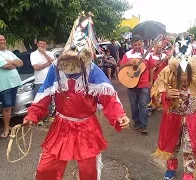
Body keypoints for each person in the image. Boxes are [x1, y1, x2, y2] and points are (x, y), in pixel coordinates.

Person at [23, 12, 130, 180]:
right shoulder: (56, 68)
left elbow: (108, 97)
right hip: (61, 125)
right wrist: (33, 114)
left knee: (88, 172)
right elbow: (43, 95)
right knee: (46, 169)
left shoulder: (92, 70)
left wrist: (119, 115)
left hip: (86, 126)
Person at [151, 56, 196, 180]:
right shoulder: (167, 71)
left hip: (191, 117)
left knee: (190, 146)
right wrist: (166, 95)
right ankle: (171, 167)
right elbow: (155, 92)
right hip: (173, 117)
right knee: (173, 145)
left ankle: (189, 173)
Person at [119, 35, 156, 134]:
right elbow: (121, 66)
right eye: (135, 45)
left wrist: (151, 81)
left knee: (143, 105)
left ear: (142, 43)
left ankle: (143, 125)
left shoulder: (148, 55)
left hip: (144, 84)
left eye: (139, 44)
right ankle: (137, 122)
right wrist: (129, 63)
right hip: (131, 83)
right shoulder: (128, 54)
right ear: (132, 45)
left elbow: (151, 68)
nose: (137, 46)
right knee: (134, 105)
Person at [0, 33, 23, 138]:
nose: (3, 41)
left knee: (10, 106)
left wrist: (10, 61)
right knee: (7, 107)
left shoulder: (8, 52)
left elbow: (21, 63)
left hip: (14, 83)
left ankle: (8, 126)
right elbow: (5, 66)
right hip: (5, 85)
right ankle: (6, 128)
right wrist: (12, 63)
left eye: (4, 39)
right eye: (0, 40)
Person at [30, 37, 55, 126]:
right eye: (40, 44)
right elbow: (36, 67)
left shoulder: (49, 53)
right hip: (39, 81)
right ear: (37, 44)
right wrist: (47, 64)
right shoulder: (33, 54)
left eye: (44, 44)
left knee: (49, 100)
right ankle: (39, 118)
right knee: (40, 100)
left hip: (50, 80)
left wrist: (44, 53)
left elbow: (53, 62)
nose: (42, 45)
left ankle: (48, 116)